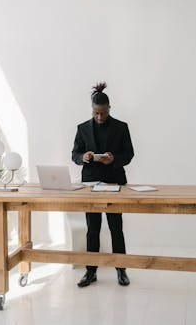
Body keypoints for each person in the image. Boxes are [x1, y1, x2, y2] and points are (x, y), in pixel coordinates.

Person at [72, 82, 134, 287]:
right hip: (90, 184)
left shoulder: (121, 127)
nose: (99, 117)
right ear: (92, 109)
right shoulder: (82, 128)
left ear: (109, 108)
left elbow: (129, 154)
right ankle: (91, 272)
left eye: (103, 113)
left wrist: (114, 158)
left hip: (115, 182)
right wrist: (85, 156)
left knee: (116, 228)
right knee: (93, 229)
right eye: (96, 113)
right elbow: (75, 154)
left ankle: (121, 269)